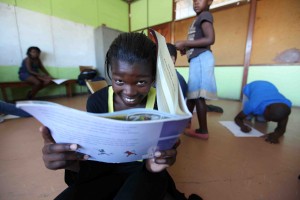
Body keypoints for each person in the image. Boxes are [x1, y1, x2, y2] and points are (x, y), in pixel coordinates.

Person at [40, 33, 202, 200]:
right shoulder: (97, 102)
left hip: (146, 172)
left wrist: (160, 161)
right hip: (104, 172)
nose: (129, 92)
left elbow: (160, 156)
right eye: (119, 81)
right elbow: (96, 158)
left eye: (141, 82)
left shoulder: (163, 103)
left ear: (153, 77)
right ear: (111, 73)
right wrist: (72, 163)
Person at [175, 0, 217, 139]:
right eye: (194, 0)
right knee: (191, 94)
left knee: (198, 96)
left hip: (201, 59)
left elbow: (210, 39)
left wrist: (185, 42)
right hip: (197, 58)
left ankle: (203, 131)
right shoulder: (199, 18)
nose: (196, 2)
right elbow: (199, 40)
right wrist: (187, 48)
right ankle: (185, 122)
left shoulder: (205, 15)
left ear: (209, 1)